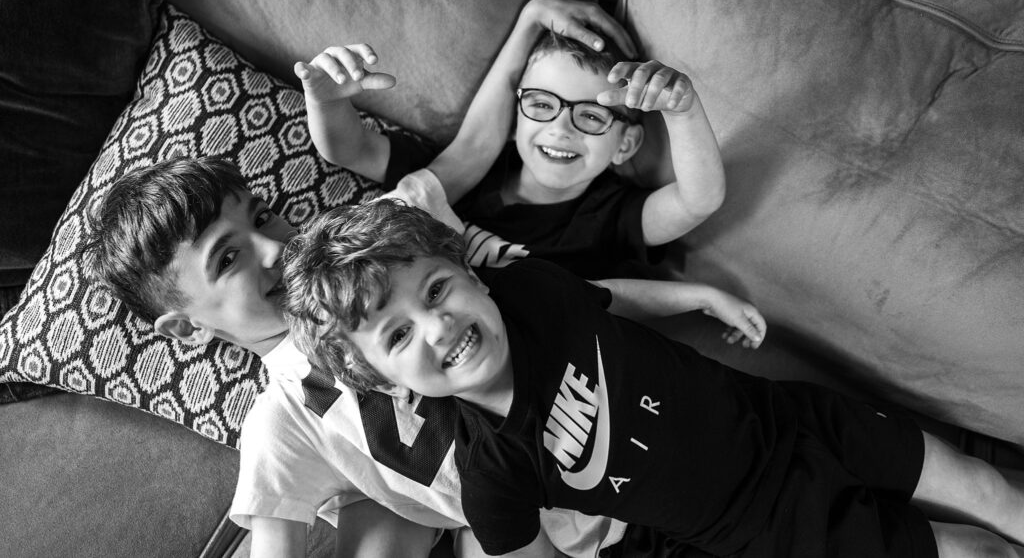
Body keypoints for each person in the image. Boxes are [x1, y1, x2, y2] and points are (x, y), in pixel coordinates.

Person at [285, 198, 1024, 558]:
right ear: (383, 379)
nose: (439, 327)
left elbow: (609, 297)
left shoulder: (533, 291)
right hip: (765, 526)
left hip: (793, 418)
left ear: (472, 275)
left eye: (438, 290)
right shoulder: (493, 472)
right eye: (399, 333)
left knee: (987, 487)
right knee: (972, 554)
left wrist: (699, 296)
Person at [80, 156, 721, 558]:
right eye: (228, 258)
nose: (273, 249)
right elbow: (277, 541)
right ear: (187, 330)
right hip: (568, 537)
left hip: (644, 445)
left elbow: (568, 303)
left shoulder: (397, 272)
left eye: (265, 217)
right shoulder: (284, 423)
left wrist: (682, 296)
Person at [298, 0, 763, 349]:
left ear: (625, 144)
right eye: (542, 105)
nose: (560, 129)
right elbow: (349, 149)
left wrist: (682, 110)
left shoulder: (609, 215)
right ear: (515, 112)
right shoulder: (466, 173)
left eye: (591, 116)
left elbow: (697, 199)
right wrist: (325, 98)